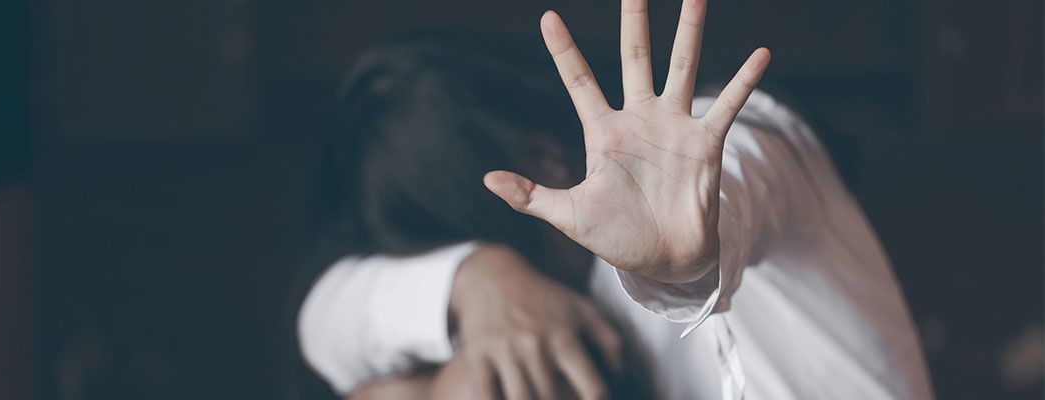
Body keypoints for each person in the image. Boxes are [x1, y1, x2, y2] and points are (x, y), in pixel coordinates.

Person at [299, 0, 934, 398]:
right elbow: (328, 323)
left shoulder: (718, 140)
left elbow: (737, 189)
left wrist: (687, 263)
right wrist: (474, 280)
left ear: (540, 156)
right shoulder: (527, 297)